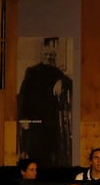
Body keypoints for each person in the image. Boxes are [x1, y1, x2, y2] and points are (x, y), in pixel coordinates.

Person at [17, 36, 73, 167]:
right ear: (41, 55)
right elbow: (23, 96)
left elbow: (69, 82)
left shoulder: (55, 72)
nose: (48, 57)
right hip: (33, 120)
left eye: (51, 55)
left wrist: (60, 81)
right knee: (33, 154)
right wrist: (23, 119)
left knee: (49, 154)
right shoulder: (31, 71)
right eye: (46, 54)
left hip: (49, 121)